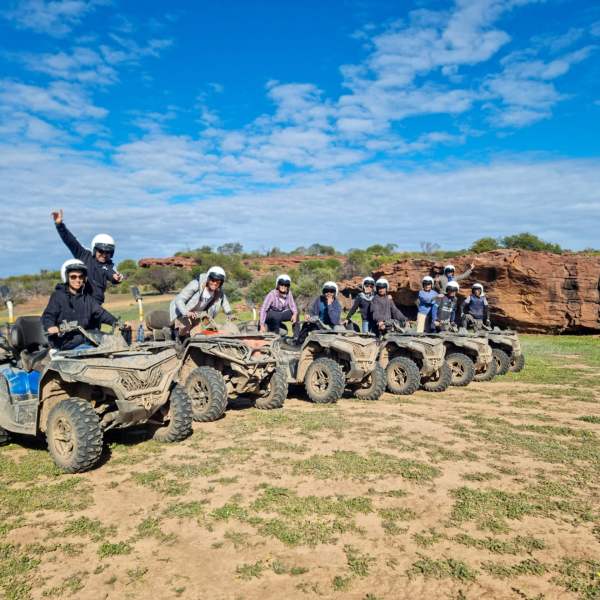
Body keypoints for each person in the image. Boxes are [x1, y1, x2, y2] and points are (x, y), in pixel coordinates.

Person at [42, 259, 118, 351]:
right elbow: (48, 316)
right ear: (67, 278)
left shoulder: (87, 298)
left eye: (80, 277)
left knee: (112, 348)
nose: (77, 280)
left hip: (86, 341)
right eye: (73, 277)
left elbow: (102, 314)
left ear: (84, 278)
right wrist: (51, 327)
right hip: (65, 343)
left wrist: (117, 323)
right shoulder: (58, 296)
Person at [51, 209, 123, 305]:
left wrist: (116, 277)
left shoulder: (109, 265)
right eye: (101, 251)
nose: (104, 254)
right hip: (79, 300)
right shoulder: (84, 255)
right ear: (94, 249)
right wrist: (60, 225)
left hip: (95, 304)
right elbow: (70, 241)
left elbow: (113, 274)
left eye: (108, 252)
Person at [169, 266, 233, 337]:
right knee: (185, 327)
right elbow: (179, 299)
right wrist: (186, 312)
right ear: (208, 278)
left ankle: (199, 343)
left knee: (211, 329)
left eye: (218, 282)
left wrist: (229, 313)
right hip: (183, 311)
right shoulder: (196, 285)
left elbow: (224, 301)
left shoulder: (218, 291)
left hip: (199, 314)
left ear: (221, 283)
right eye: (212, 280)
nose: (215, 283)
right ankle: (176, 337)